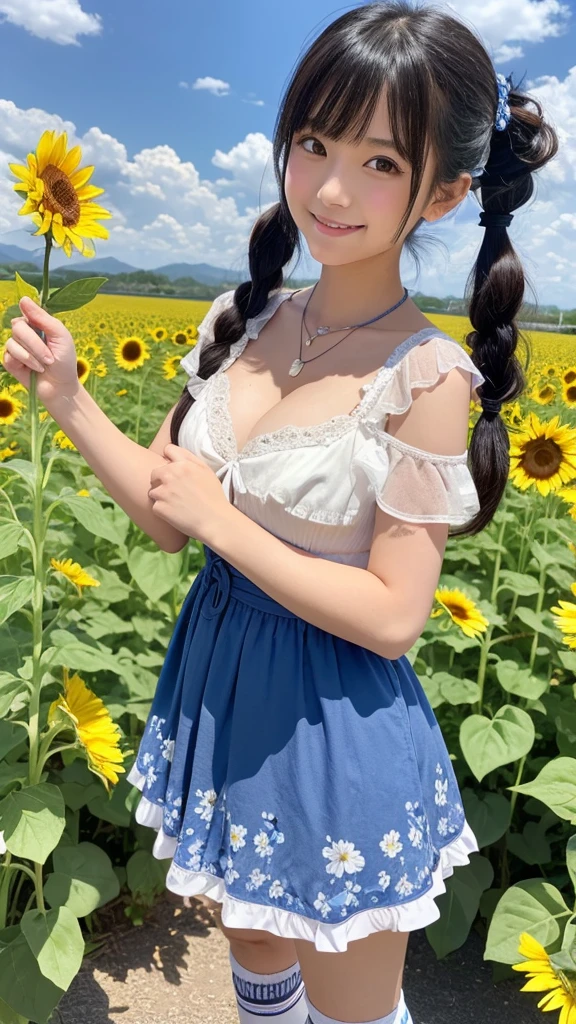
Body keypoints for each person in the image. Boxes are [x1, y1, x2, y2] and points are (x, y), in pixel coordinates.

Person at [4, 2, 559, 1022]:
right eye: (312, 142)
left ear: (443, 193)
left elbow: (395, 614)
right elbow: (172, 513)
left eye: (382, 163)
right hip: (220, 691)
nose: (332, 187)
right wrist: (72, 403)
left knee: (349, 997)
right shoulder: (246, 314)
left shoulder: (425, 374)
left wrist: (228, 525)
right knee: (253, 937)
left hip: (334, 725)